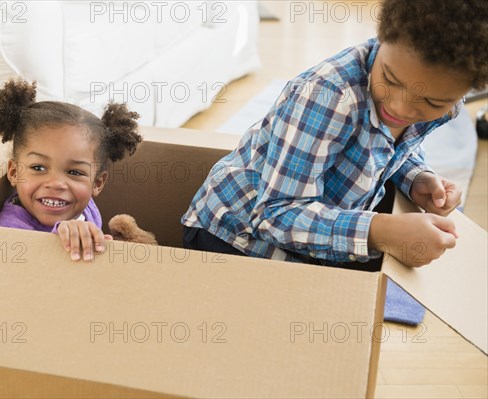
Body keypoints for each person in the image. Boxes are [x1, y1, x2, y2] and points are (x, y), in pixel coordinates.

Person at [182, 0, 488, 269]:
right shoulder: (328, 96)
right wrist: (380, 231)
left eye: (431, 102)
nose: (400, 107)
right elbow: (274, 216)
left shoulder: (446, 100)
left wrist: (416, 176)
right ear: (381, 37)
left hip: (315, 231)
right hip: (235, 238)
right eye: (390, 80)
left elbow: (388, 148)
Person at [0, 78, 142, 261]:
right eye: (38, 167)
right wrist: (62, 233)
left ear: (97, 183)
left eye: (75, 172)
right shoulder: (10, 232)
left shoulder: (84, 205)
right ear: (14, 173)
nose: (56, 184)